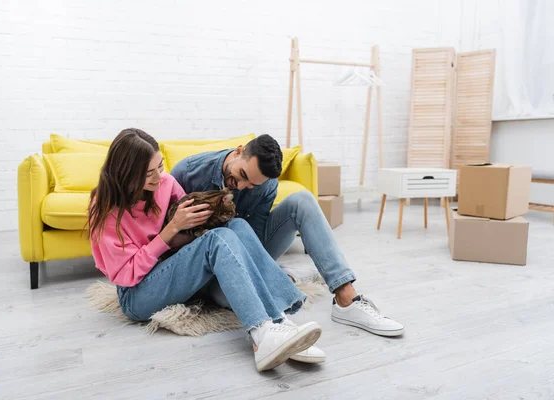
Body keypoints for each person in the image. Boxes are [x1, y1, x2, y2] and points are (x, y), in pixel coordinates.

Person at [88, 128, 324, 372]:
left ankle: (281, 321)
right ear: (125, 173)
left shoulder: (166, 183)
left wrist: (211, 214)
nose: (159, 178)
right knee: (216, 239)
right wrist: (170, 231)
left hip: (172, 272)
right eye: (148, 174)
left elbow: (192, 232)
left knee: (237, 225)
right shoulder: (104, 208)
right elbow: (127, 275)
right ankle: (262, 333)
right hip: (137, 294)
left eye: (160, 167)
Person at [170, 134, 405, 356]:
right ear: (239, 151)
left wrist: (262, 269)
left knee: (301, 200)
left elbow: (256, 240)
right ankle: (274, 324)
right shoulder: (188, 172)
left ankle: (346, 299)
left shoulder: (266, 184)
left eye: (251, 185)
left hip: (247, 250)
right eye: (241, 175)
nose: (241, 186)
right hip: (208, 268)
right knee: (226, 284)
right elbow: (164, 238)